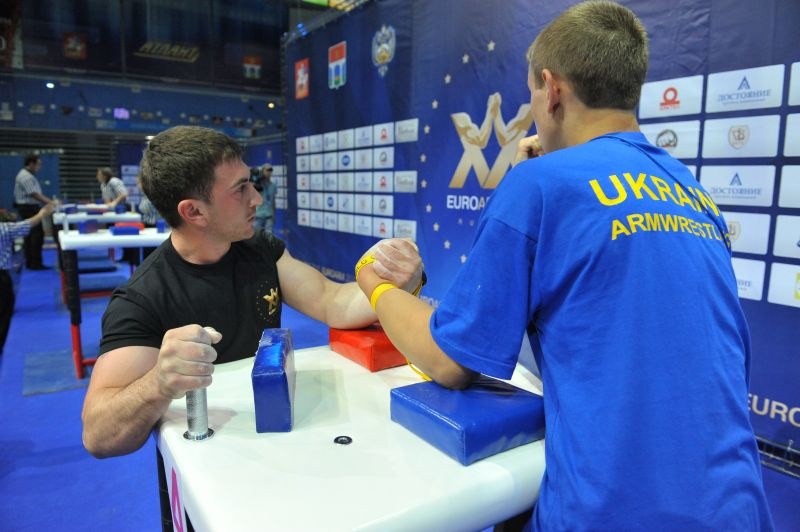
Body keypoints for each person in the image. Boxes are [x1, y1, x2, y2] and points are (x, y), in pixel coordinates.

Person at [355, 2, 773, 530]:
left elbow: (448, 361)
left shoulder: (538, 187)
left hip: (611, 516)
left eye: (531, 93)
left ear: (551, 90)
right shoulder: (693, 193)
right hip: (742, 511)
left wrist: (375, 286)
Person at [81, 126, 423, 458]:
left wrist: (391, 288)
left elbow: (331, 300)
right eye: (241, 188)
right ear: (194, 211)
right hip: (211, 474)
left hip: (279, 440)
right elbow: (98, 435)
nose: (257, 199)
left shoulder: (259, 248)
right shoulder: (143, 297)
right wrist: (158, 381)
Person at [0, 203, 55, 353]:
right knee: (5, 313)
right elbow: (27, 224)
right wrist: (42, 213)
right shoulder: (4, 229)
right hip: (2, 279)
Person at [13, 154, 55, 270]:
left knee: (30, 235)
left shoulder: (27, 175)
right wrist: (50, 202)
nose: (39, 167)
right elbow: (34, 194)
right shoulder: (25, 176)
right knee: (36, 235)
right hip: (28, 208)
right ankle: (35, 263)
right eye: (38, 164)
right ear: (31, 163)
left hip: (27, 207)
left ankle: (31, 262)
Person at [253, 163, 277, 234]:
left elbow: (273, 201)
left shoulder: (273, 186)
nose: (269, 172)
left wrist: (274, 214)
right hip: (258, 216)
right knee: (256, 237)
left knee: (268, 238)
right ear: (262, 171)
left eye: (271, 170)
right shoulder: (258, 185)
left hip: (269, 216)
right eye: (267, 170)